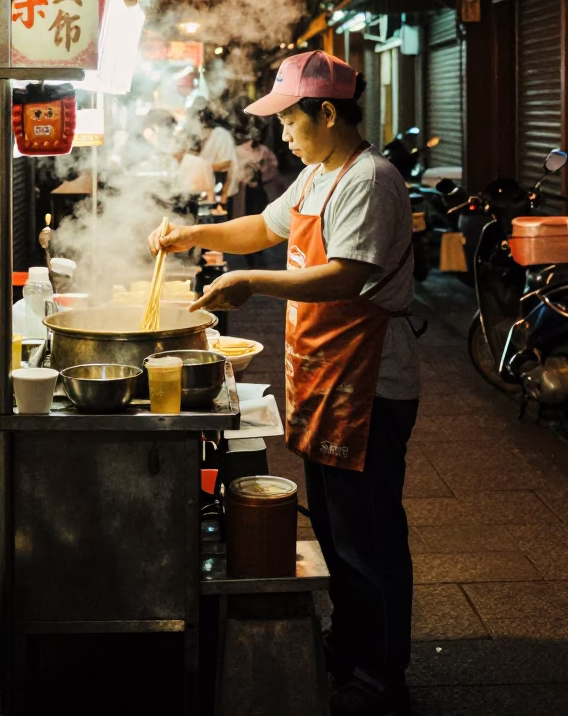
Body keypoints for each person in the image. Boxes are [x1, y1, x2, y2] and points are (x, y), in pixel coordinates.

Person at [149, 51, 419, 716]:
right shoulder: (316, 176)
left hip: (369, 383)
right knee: (334, 529)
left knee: (369, 538)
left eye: (291, 120)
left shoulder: (369, 180)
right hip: (328, 377)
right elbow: (259, 229)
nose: (282, 134)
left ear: (328, 113)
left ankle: (381, 679)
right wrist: (192, 235)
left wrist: (251, 282)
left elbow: (345, 276)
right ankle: (348, 650)